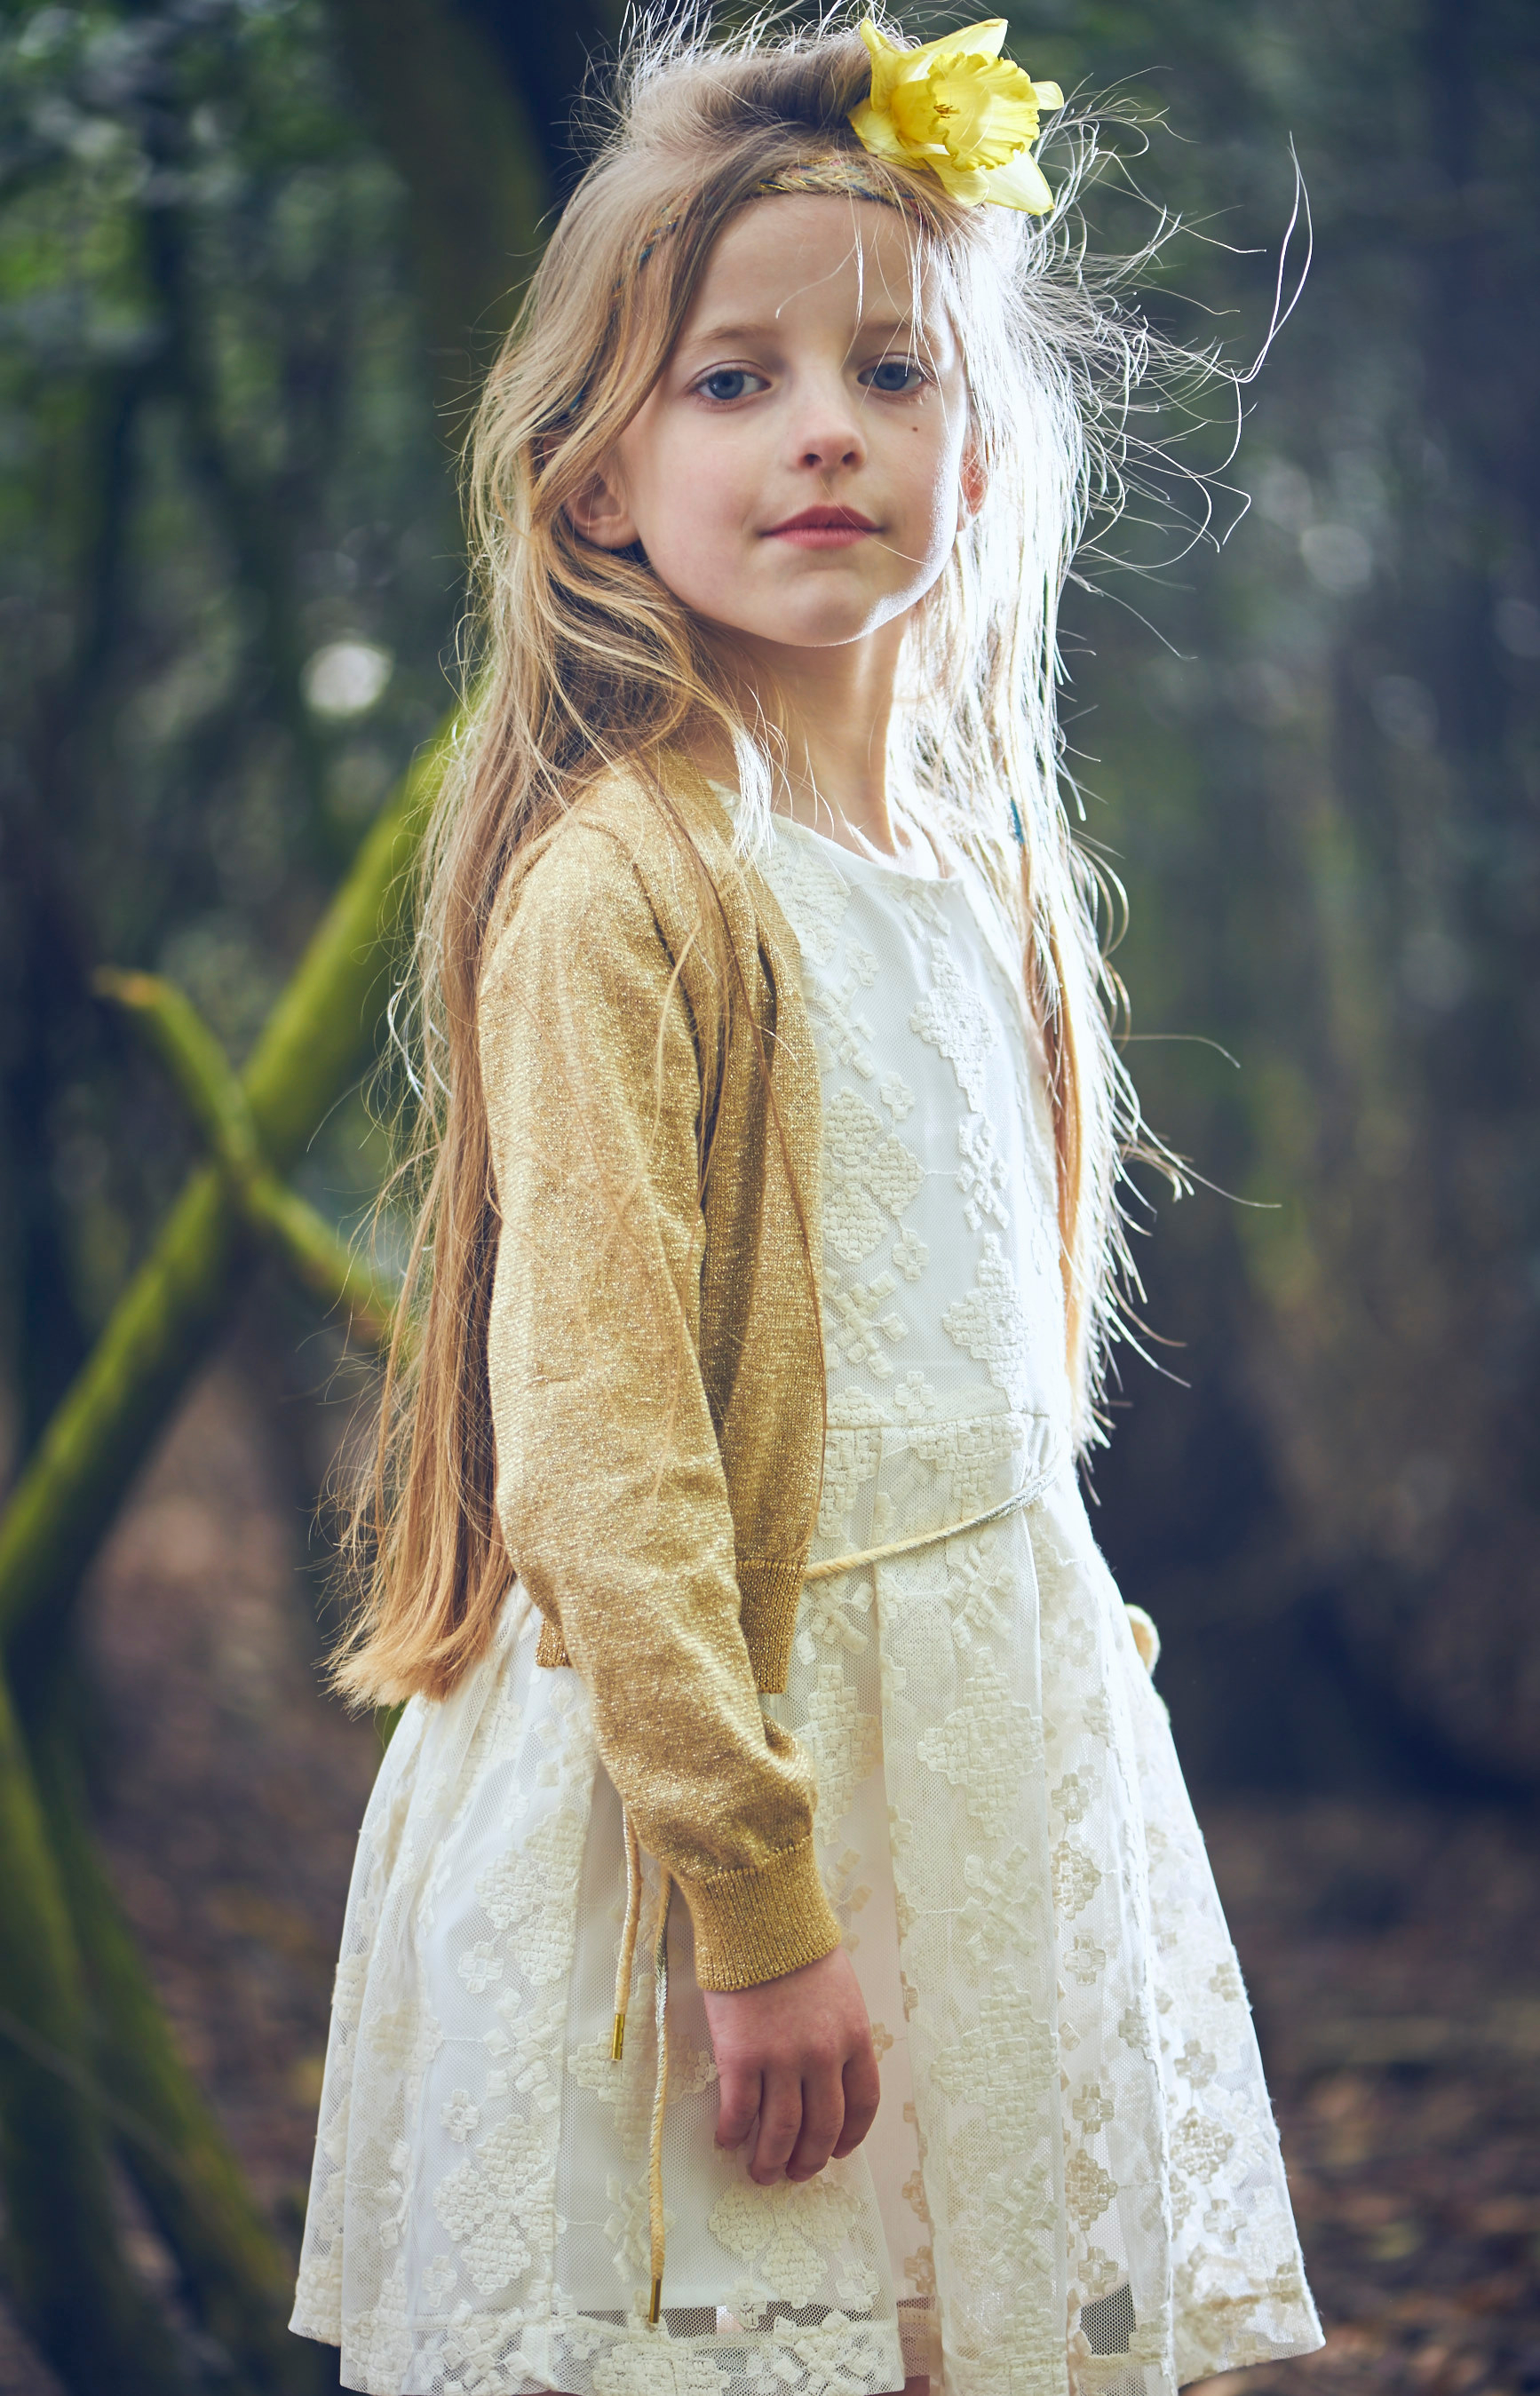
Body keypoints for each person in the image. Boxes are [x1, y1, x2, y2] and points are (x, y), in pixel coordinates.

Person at [290, 16, 1323, 2395]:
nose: (827, 428)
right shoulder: (629, 892)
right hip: (722, 1801)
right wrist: (753, 1911)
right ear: (595, 482)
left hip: (977, 1759)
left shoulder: (978, 877)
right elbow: (605, 1452)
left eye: (891, 368)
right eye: (735, 380)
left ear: (986, 452)